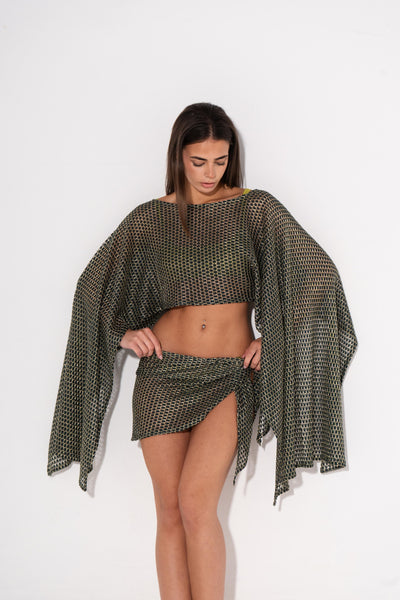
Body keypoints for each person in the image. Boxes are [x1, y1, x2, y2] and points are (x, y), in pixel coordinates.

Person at [47, 102, 358, 600]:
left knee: (196, 503)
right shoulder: (150, 220)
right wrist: (122, 333)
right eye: (198, 161)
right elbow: (92, 289)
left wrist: (275, 338)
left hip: (230, 377)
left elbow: (318, 278)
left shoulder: (256, 210)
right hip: (162, 375)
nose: (210, 172)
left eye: (220, 160)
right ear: (178, 156)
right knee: (169, 510)